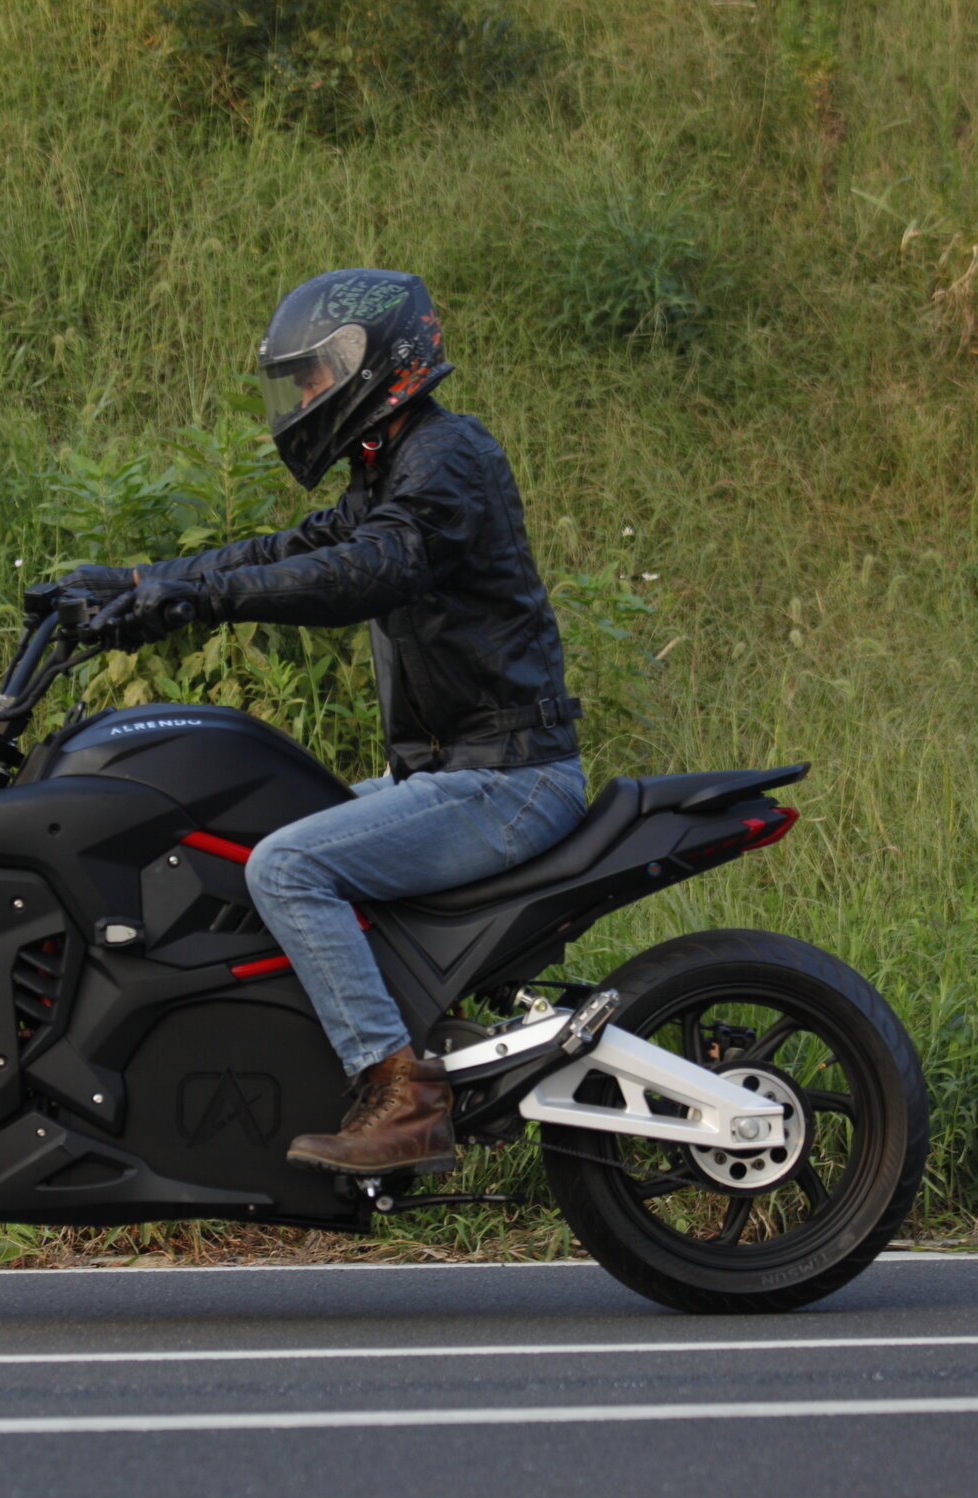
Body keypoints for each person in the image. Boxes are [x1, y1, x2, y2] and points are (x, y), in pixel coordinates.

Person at [54, 268, 586, 1178]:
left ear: (372, 366)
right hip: (453, 770)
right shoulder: (393, 464)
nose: (303, 398)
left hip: (506, 777)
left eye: (312, 377)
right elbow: (292, 549)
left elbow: (370, 569)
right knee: (266, 833)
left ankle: (402, 1092)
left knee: (289, 864)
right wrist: (141, 582)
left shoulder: (446, 459)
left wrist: (202, 601)